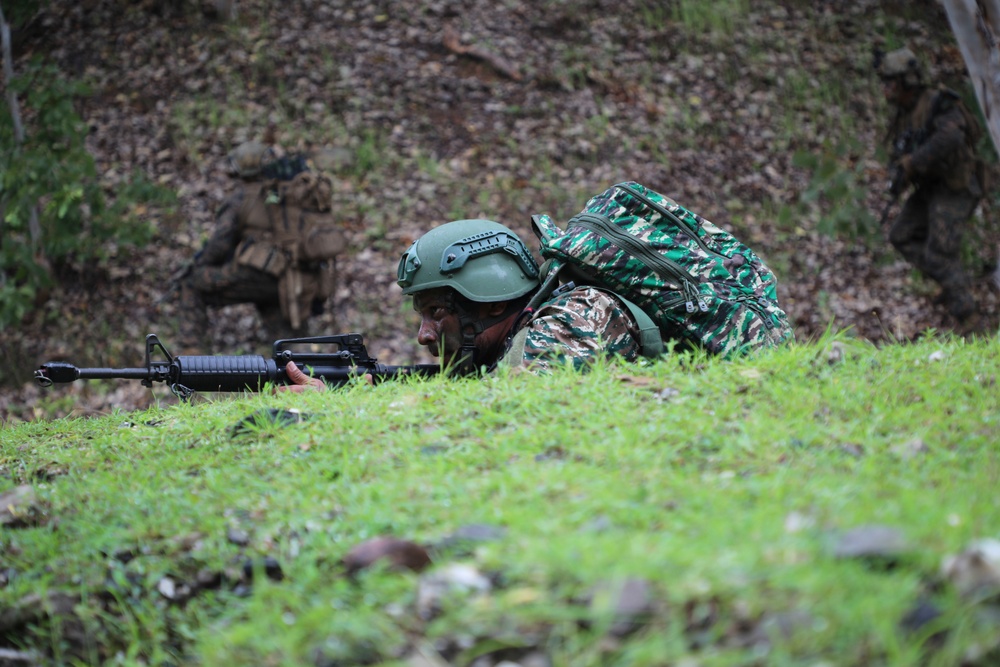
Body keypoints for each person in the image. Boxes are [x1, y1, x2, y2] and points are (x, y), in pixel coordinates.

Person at [279, 218, 645, 392]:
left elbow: (503, 415)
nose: (423, 336)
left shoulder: (574, 316)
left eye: (436, 312)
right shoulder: (504, 346)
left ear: (491, 304)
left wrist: (341, 408)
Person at [178, 141, 344, 346]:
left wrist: (199, 264)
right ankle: (304, 374)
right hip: (294, 280)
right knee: (290, 346)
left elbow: (220, 244)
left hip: (258, 274)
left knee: (192, 284)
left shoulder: (241, 197)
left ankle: (191, 358)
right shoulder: (289, 193)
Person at [875, 46, 986, 332]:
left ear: (906, 83)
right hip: (931, 187)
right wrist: (899, 174)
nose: (886, 90)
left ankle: (971, 320)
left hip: (957, 186)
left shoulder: (938, 103)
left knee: (940, 255)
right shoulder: (903, 115)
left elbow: (950, 138)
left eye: (891, 83)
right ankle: (951, 282)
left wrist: (913, 162)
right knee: (901, 234)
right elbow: (899, 155)